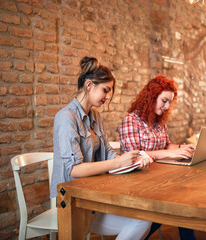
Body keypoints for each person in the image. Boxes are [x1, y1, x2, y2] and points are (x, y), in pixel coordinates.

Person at [50, 57, 152, 240]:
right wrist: (116, 162)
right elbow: (74, 170)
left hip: (92, 195)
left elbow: (109, 154)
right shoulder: (66, 118)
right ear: (89, 85)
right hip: (70, 202)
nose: (108, 97)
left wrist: (132, 161)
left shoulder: (95, 116)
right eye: (105, 90)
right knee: (141, 219)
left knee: (144, 217)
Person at [118, 74, 196, 240]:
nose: (167, 106)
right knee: (178, 203)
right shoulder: (131, 121)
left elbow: (167, 145)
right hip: (138, 182)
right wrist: (167, 153)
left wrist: (182, 148)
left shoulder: (159, 121)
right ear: (152, 97)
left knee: (182, 199)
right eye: (164, 101)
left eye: (170, 102)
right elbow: (133, 157)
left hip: (158, 177)